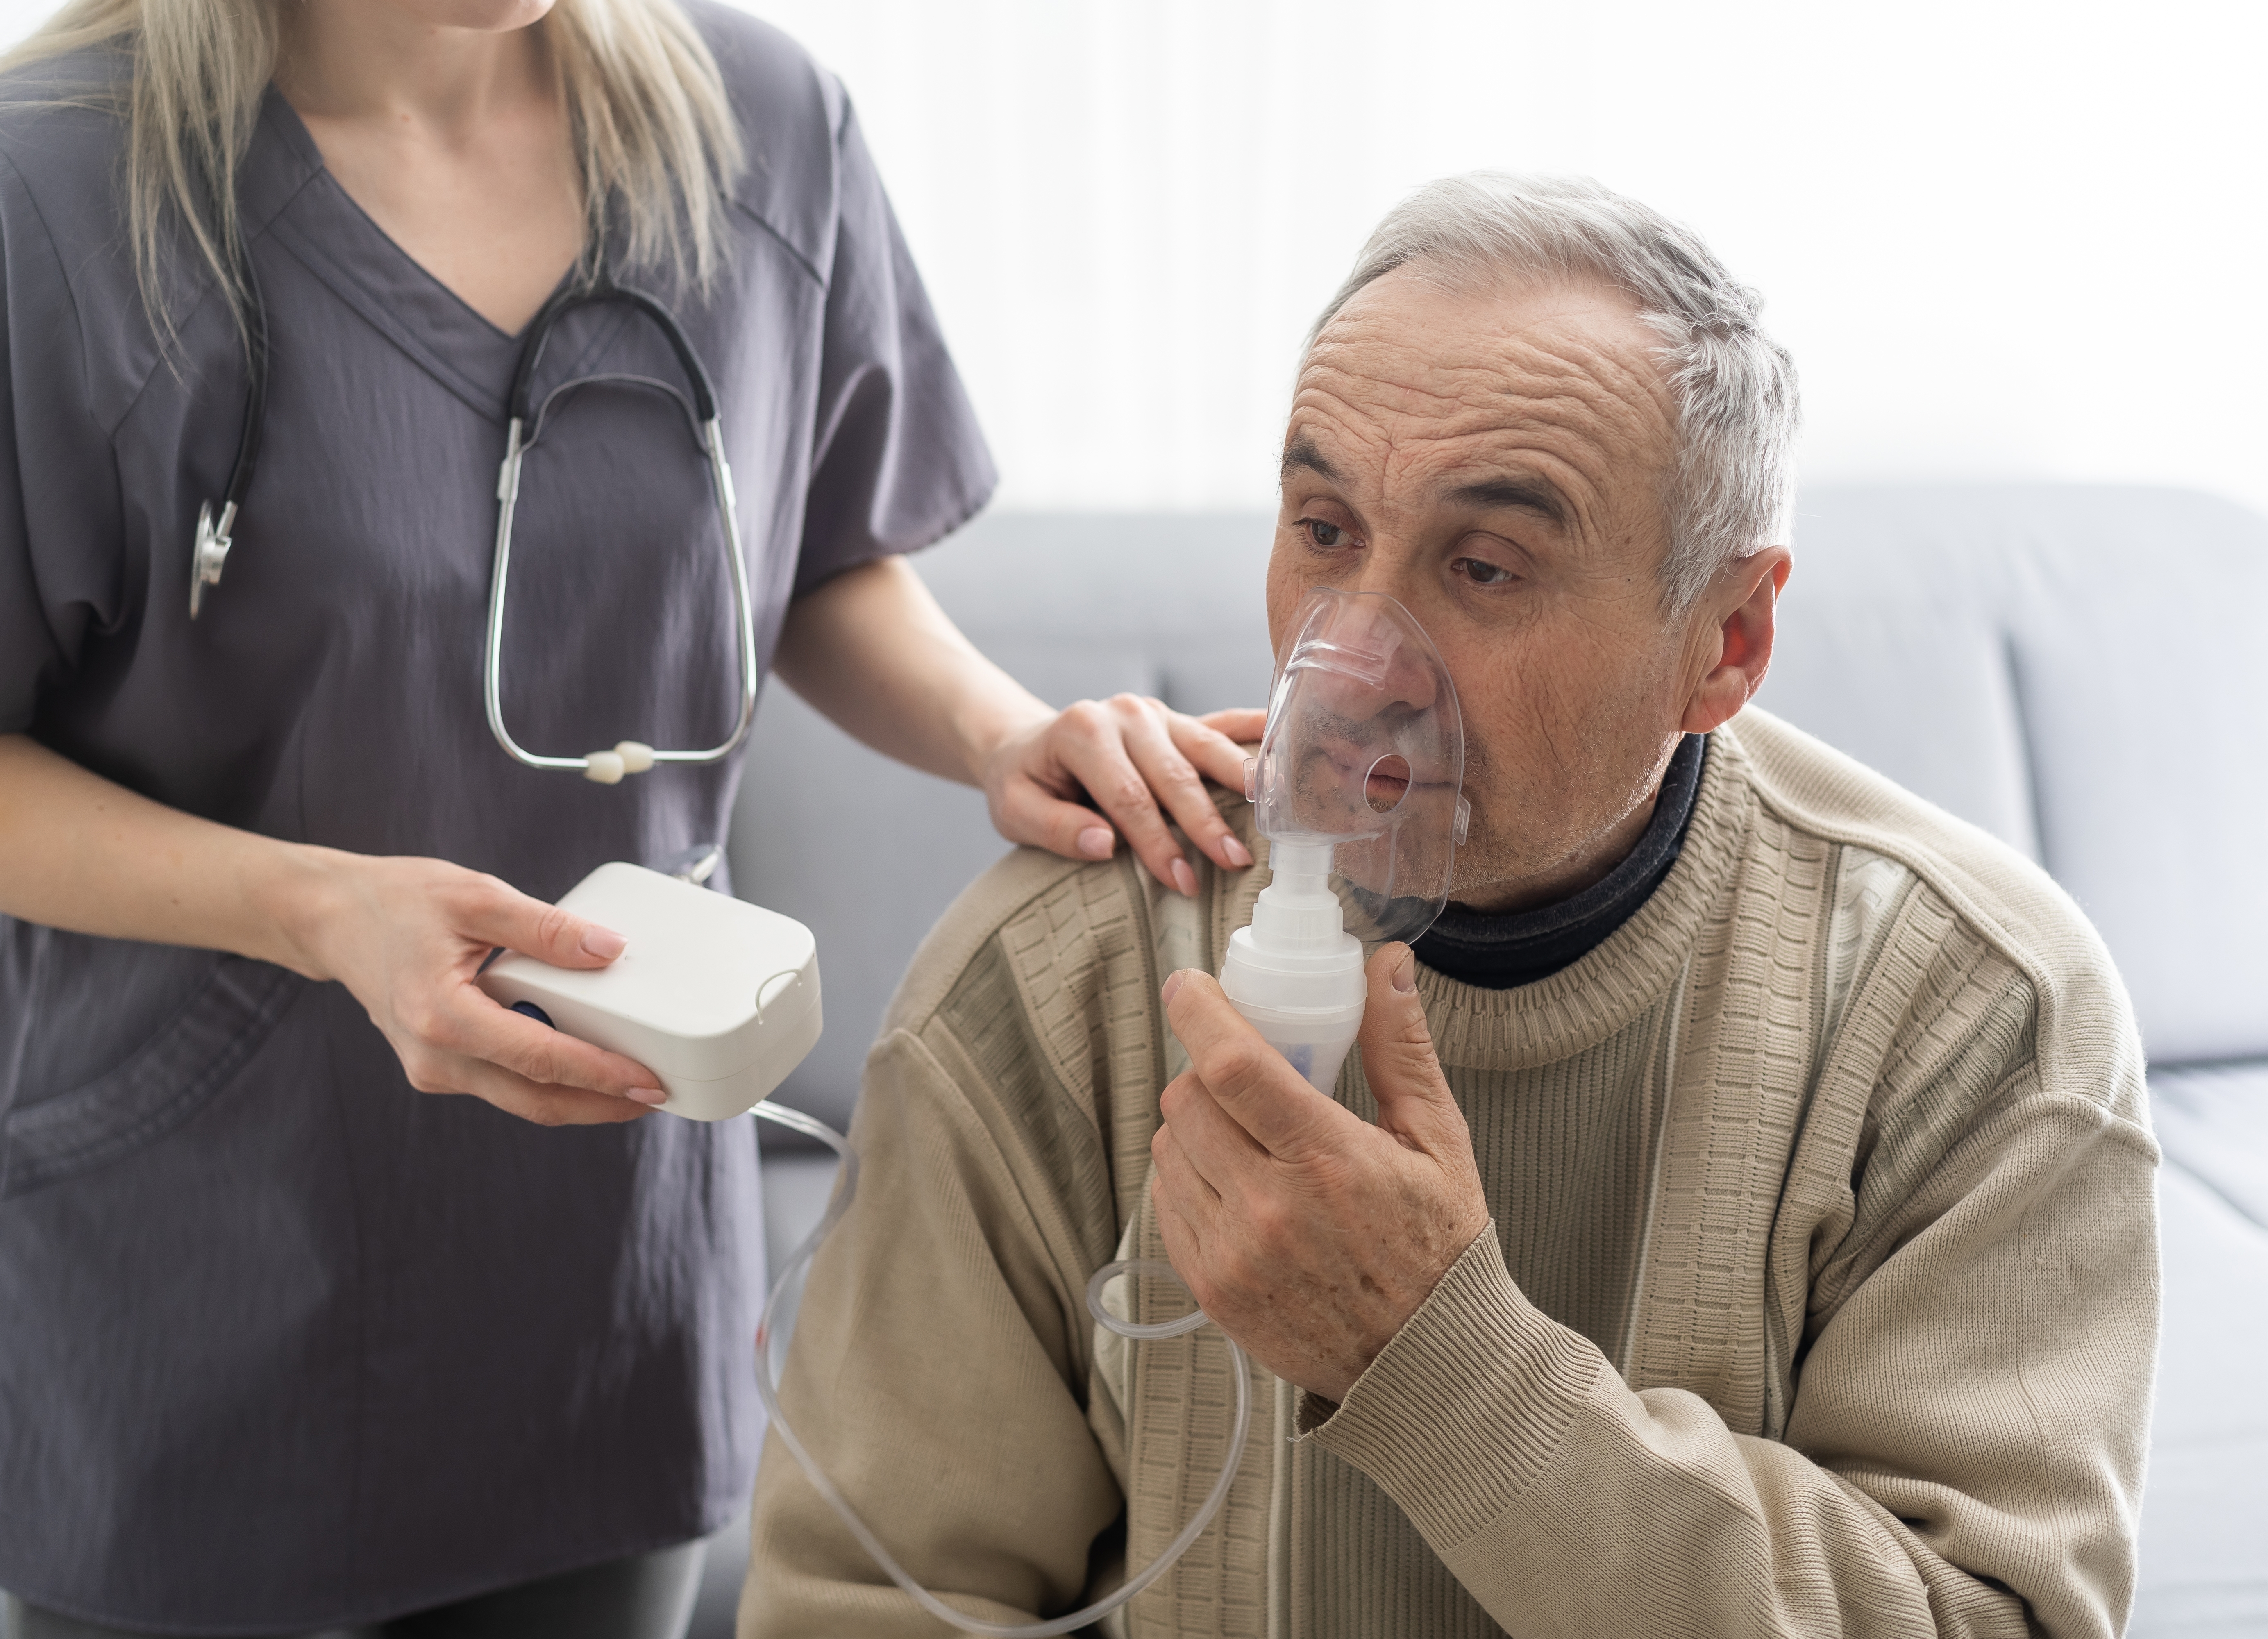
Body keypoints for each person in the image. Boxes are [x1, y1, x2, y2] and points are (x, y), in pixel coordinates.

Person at [0, 2, 1260, 1634]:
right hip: (198, 1291)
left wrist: (999, 729)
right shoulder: (47, 178)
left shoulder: (766, 128)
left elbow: (818, 551)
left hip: (601, 1281)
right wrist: (319, 910)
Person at [740, 174, 2159, 1638]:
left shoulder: (1979, 1015)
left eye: (1483, 568)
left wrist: (1441, 1366)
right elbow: (870, 1601)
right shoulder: (1054, 973)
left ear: (1725, 642)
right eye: (1324, 531)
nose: (1355, 665)